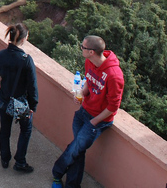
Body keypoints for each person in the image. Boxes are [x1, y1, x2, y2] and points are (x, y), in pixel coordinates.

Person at [51, 35, 125, 188]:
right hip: (83, 113)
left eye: (83, 47)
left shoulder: (114, 75)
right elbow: (89, 82)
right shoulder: (89, 62)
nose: (81, 49)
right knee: (78, 151)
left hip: (96, 120)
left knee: (75, 149)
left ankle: (57, 172)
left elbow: (113, 107)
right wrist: (82, 93)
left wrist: (94, 122)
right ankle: (72, 185)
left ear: (92, 52)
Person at [0, 24, 38, 173]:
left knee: (4, 130)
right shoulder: (26, 60)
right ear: (23, 39)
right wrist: (33, 105)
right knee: (26, 130)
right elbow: (32, 86)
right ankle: (20, 161)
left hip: (4, 100)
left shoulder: (0, 56)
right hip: (20, 102)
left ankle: (5, 158)